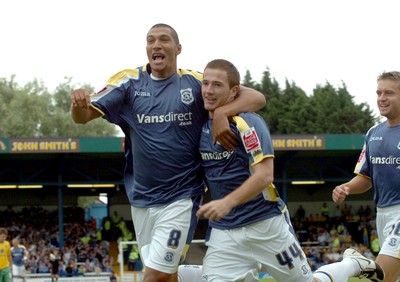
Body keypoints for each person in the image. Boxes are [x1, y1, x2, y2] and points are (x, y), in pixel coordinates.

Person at [70, 23, 266, 282]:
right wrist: (77, 103)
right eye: (150, 40)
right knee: (167, 275)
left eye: (163, 40)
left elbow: (256, 97)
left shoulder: (194, 83)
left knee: (154, 276)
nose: (156, 45)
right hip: (141, 200)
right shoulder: (128, 83)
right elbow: (82, 117)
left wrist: (221, 112)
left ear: (178, 48)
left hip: (181, 198)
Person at [195, 59, 384, 281]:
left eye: (217, 85)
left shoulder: (248, 122)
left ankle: (351, 264)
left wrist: (227, 202)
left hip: (265, 225)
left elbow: (265, 175)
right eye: (205, 83)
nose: (208, 90)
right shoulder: (199, 124)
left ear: (234, 91)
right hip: (224, 232)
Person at [332, 70, 400, 282]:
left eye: (389, 93)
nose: (382, 98)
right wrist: (347, 187)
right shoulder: (373, 133)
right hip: (383, 214)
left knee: (383, 276)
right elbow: (366, 177)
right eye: (379, 93)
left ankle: (354, 266)